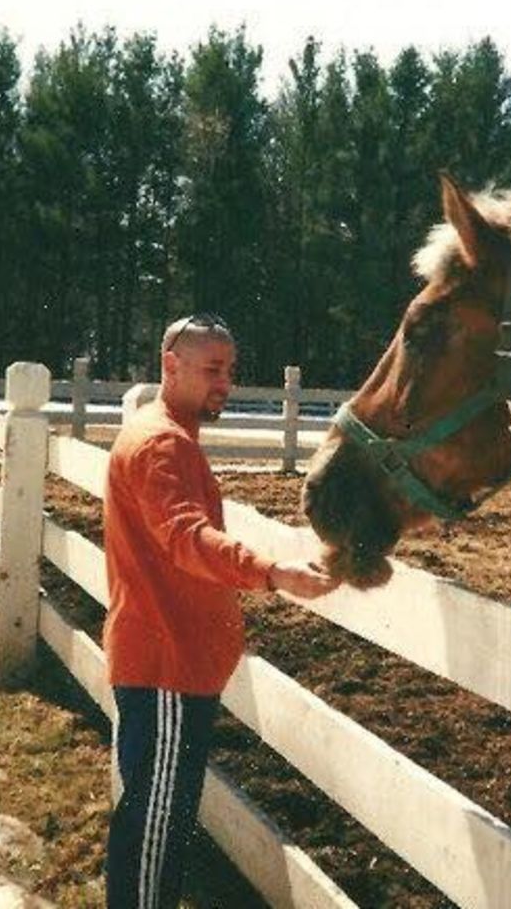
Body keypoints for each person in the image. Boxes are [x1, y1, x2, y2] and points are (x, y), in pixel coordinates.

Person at [103, 313, 338, 908]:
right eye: (212, 370)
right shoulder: (163, 442)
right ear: (170, 366)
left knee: (153, 817)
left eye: (230, 371)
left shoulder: (165, 433)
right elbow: (186, 537)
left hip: (167, 662)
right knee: (156, 827)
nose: (224, 383)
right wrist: (271, 572)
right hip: (167, 666)